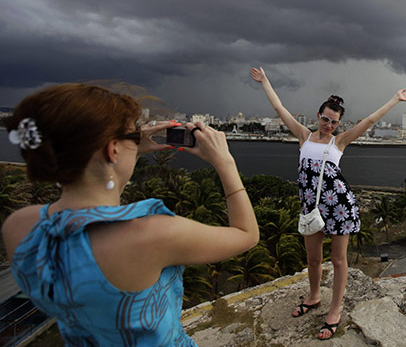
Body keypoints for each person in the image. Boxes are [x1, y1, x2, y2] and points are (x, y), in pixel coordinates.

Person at [1, 84, 259, 346]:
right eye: (133, 136)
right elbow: (246, 234)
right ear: (112, 150)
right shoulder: (152, 235)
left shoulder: (19, 226)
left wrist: (124, 151)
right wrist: (225, 163)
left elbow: (100, 202)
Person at [250, 67, 406, 340]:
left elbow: (370, 120)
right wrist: (265, 81)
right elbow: (279, 108)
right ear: (318, 116)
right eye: (325, 119)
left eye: (334, 122)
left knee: (338, 261)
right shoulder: (304, 135)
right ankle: (314, 296)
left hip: (339, 207)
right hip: (312, 207)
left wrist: (395, 99)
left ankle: (334, 311)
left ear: (339, 124)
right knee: (313, 258)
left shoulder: (340, 142)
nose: (328, 125)